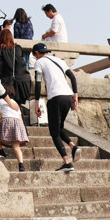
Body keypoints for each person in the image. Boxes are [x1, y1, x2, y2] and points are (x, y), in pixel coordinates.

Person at [32, 42, 78, 171]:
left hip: (55, 98)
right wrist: (75, 95)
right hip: (68, 96)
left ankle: (67, 162)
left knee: (54, 132)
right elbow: (73, 77)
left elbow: (38, 82)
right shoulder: (59, 60)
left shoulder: (39, 62)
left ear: (36, 53)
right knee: (59, 127)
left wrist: (37, 103)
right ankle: (73, 147)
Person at [0, 19, 33, 105]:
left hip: (10, 83)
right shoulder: (17, 48)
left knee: (8, 105)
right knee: (19, 106)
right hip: (23, 82)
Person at [0, 83, 29, 171]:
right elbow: (20, 118)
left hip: (6, 120)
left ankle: (1, 151)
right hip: (18, 123)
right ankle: (21, 164)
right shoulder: (14, 102)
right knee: (16, 147)